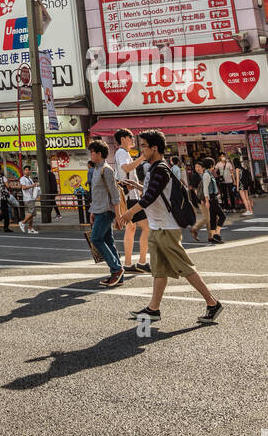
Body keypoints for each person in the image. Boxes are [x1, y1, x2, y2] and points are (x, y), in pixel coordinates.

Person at [118, 129, 222, 325]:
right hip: (157, 227)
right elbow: (154, 192)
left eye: (144, 147)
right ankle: (153, 309)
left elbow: (150, 198)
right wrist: (138, 186)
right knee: (159, 270)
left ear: (154, 148)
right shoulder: (154, 168)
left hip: (167, 227)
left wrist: (128, 214)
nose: (142, 151)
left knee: (185, 267)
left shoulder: (161, 169)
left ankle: (212, 303)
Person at [113, 128, 150, 275]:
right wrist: (142, 158)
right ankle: (141, 262)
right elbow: (126, 168)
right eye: (131, 137)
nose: (133, 140)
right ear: (123, 139)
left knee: (131, 228)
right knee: (146, 227)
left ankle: (128, 263)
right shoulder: (121, 152)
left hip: (130, 195)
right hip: (129, 196)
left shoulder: (124, 153)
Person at [88, 140, 124, 287]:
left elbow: (115, 195)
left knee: (96, 239)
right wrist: (92, 211)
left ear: (99, 154)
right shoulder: (96, 169)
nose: (90, 155)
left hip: (105, 211)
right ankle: (118, 275)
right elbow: (96, 193)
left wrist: (118, 216)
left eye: (92, 152)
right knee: (108, 241)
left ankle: (116, 269)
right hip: (98, 211)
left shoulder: (106, 170)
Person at [191, 157, 223, 244]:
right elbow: (197, 189)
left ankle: (211, 237)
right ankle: (195, 229)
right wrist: (203, 199)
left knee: (212, 218)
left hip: (208, 198)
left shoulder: (206, 174)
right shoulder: (196, 176)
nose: (197, 168)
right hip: (202, 200)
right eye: (196, 166)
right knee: (207, 218)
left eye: (199, 166)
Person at [19, 164, 40, 235]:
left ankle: (30, 228)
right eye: (26, 170)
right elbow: (23, 187)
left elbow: (32, 186)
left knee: (31, 213)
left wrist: (35, 185)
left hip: (31, 197)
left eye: (28, 170)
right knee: (31, 212)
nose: (27, 171)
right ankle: (22, 223)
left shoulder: (30, 179)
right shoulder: (23, 179)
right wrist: (32, 185)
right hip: (27, 198)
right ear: (24, 171)